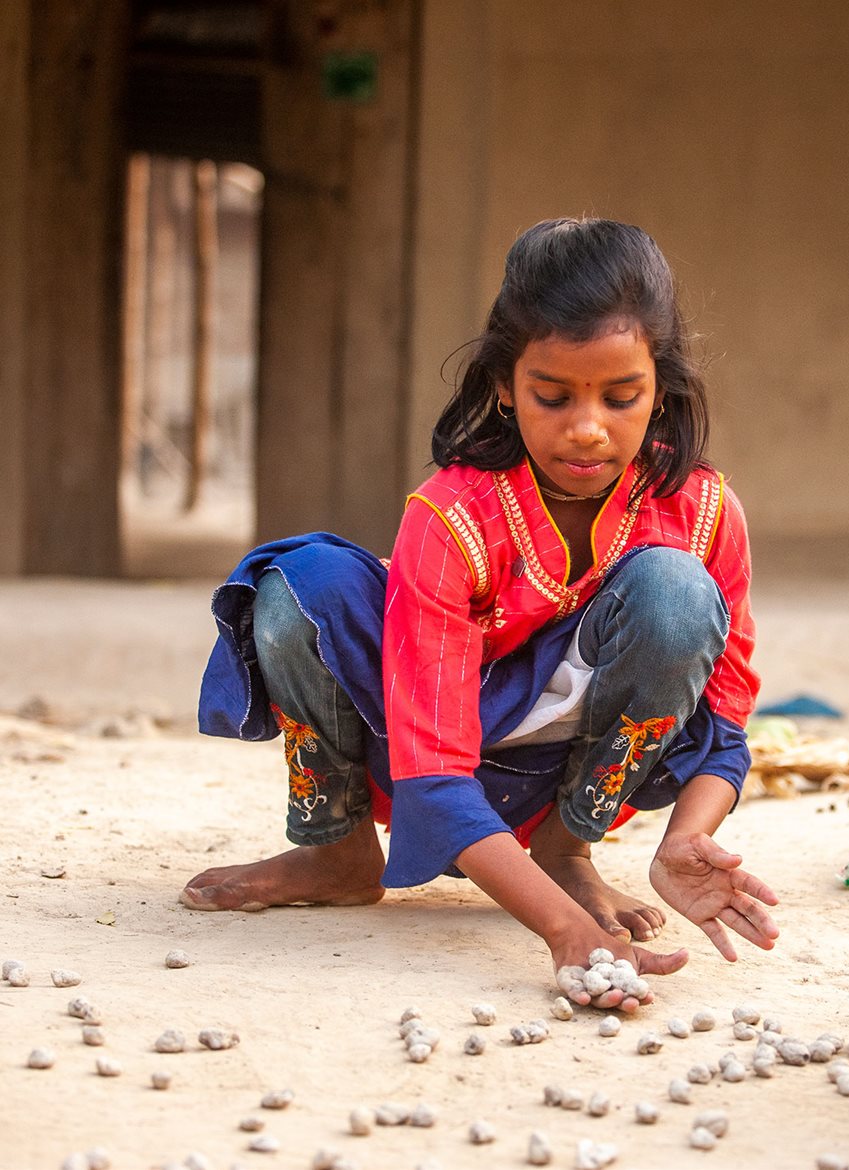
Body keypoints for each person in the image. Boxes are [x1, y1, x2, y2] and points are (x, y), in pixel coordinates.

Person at [184, 217, 779, 1010]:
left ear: (660, 387)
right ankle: (336, 849)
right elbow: (433, 769)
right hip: (421, 754)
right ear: (504, 385)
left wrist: (684, 841)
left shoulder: (702, 511)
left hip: (571, 768)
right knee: (299, 587)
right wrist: (565, 933)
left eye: (622, 395)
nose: (588, 427)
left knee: (675, 593)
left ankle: (567, 849)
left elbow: (728, 721)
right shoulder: (451, 515)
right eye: (552, 395)